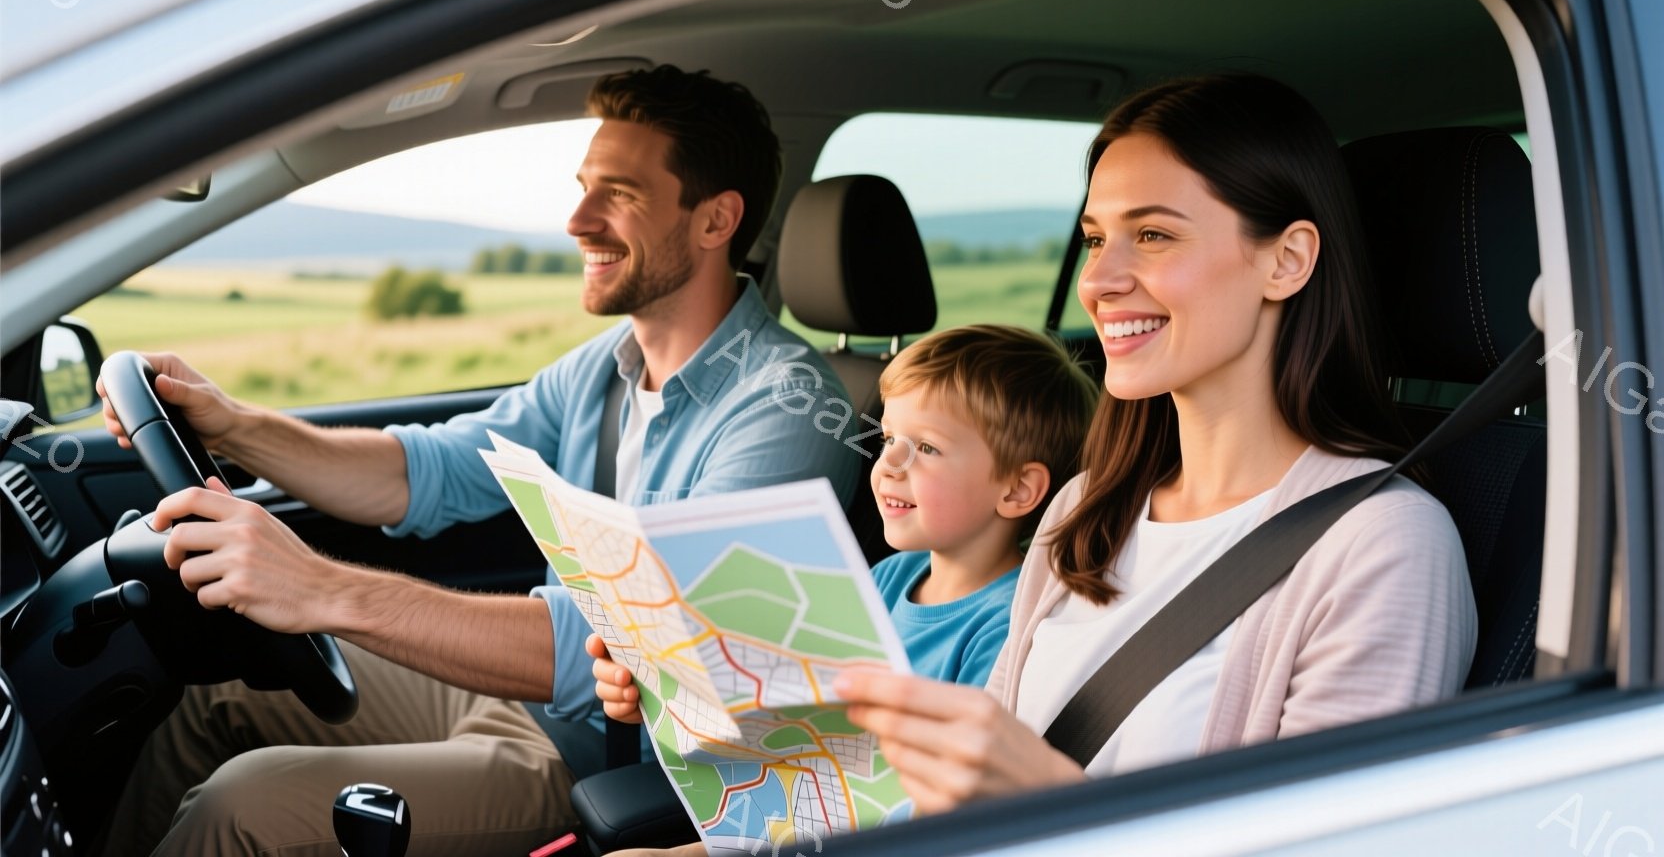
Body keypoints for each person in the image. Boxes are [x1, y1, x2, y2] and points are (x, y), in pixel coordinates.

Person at [96, 65, 862, 857]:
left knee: (243, 804)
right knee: (215, 682)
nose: (577, 219)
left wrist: (319, 587)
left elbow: (651, 649)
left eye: (620, 195)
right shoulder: (606, 365)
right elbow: (427, 473)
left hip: (606, 761)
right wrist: (238, 424)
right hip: (516, 700)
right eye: (583, 186)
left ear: (715, 221)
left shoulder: (785, 411)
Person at [834, 73, 1478, 814]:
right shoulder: (1085, 508)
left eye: (1153, 235)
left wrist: (1051, 799)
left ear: (1287, 261)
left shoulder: (1382, 545)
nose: (1098, 281)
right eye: (1096, 239)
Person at [591, 324, 1100, 736]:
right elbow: (801, 707)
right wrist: (671, 694)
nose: (887, 465)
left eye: (925, 448)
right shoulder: (889, 578)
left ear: (1016, 491)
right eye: (890, 439)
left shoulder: (1005, 630)